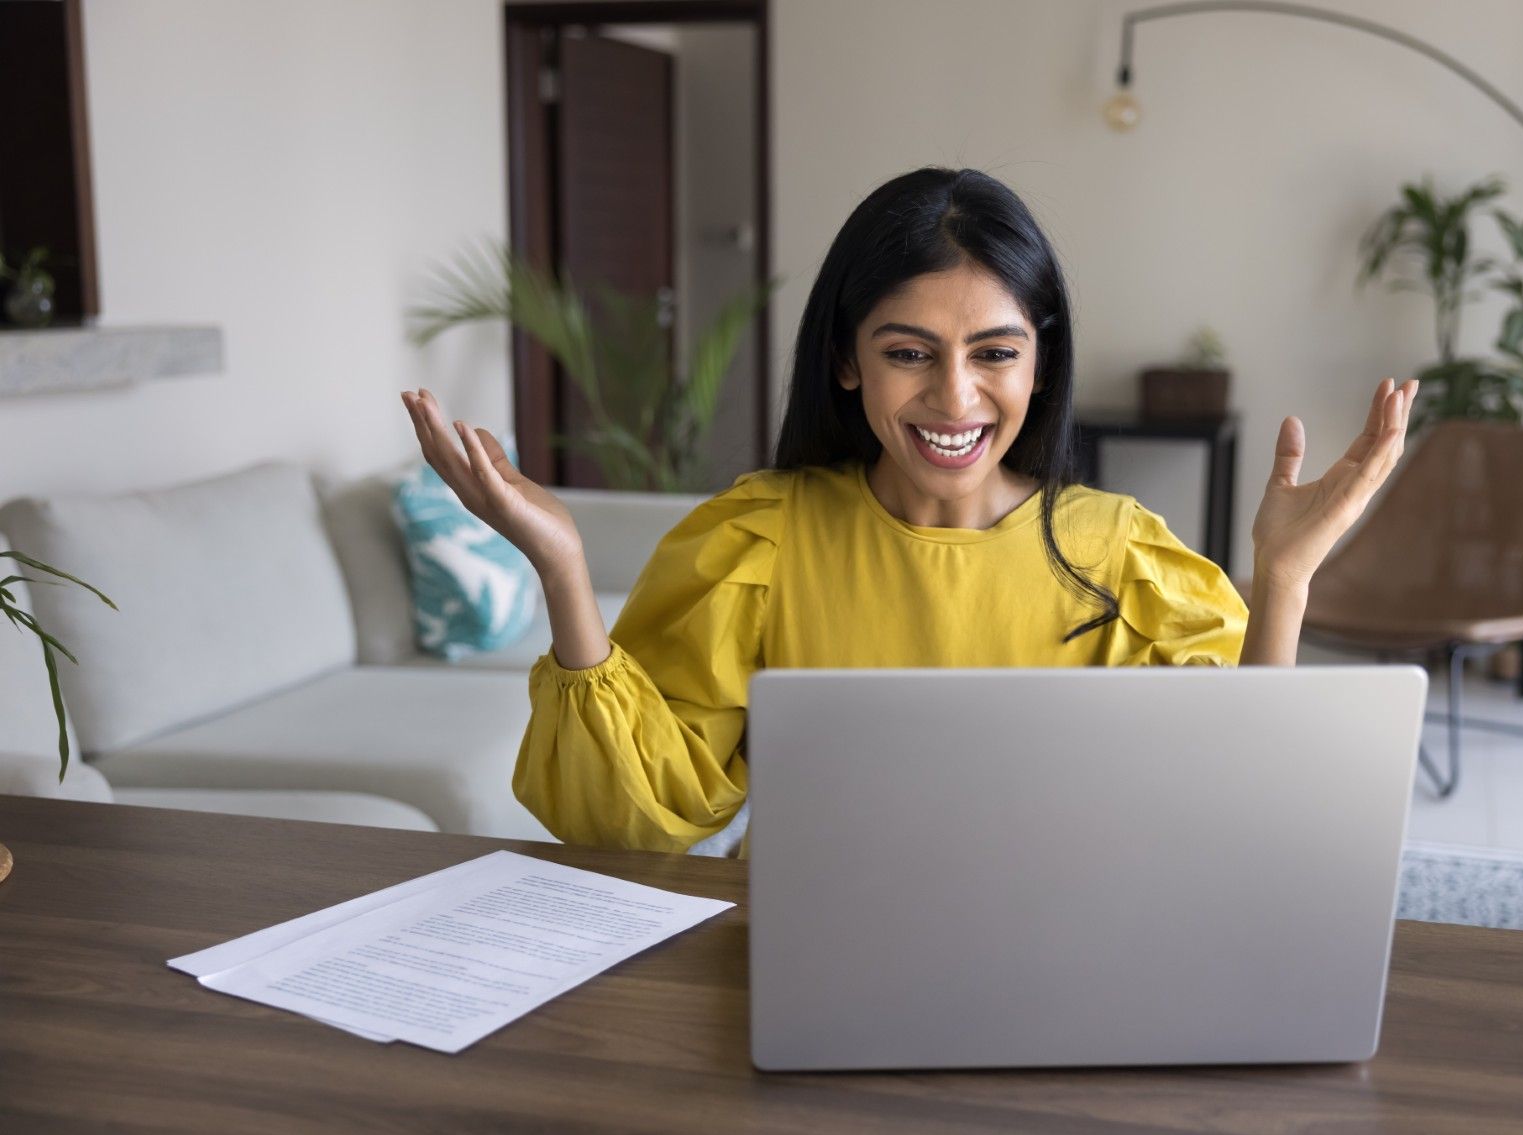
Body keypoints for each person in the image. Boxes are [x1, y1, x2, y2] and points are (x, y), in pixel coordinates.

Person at [401, 167, 1417, 855]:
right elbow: (626, 818)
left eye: (993, 353)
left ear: (1039, 358)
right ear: (846, 359)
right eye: (907, 352)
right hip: (803, 962)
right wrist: (565, 572)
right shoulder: (760, 538)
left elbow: (1243, 815)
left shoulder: (1123, 556)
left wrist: (1283, 580)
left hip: (1066, 959)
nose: (955, 399)